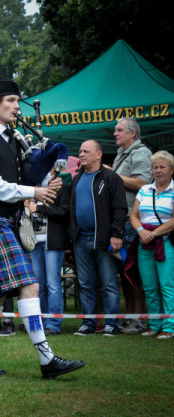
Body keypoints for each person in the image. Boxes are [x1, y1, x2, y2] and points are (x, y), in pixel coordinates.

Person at [0, 80, 84, 379]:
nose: (18, 106)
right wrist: (32, 191)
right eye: (12, 101)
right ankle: (47, 359)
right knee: (29, 285)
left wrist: (46, 183)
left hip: (12, 219)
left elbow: (27, 175)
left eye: (18, 101)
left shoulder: (14, 138)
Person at [69, 140, 127, 337]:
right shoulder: (76, 179)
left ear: (99, 154)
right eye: (80, 151)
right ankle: (89, 323)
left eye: (86, 151)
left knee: (109, 283)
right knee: (85, 285)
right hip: (80, 239)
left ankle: (111, 324)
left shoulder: (110, 177)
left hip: (103, 239)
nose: (81, 154)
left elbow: (120, 208)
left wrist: (116, 234)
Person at [109, 117, 153, 334]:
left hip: (133, 221)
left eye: (119, 130)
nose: (115, 133)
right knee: (125, 272)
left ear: (132, 133)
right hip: (121, 220)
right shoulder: (122, 153)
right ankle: (131, 318)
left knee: (133, 271)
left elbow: (144, 184)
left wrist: (113, 174)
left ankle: (139, 320)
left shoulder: (141, 153)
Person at [128, 151, 174, 339]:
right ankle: (154, 324)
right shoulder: (144, 190)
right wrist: (141, 231)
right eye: (155, 167)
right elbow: (133, 215)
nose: (158, 171)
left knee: (167, 285)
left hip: (164, 242)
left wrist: (154, 233)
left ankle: (169, 326)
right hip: (144, 243)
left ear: (171, 170)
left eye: (162, 167)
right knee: (149, 286)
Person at [27, 174, 71, 335]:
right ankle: (41, 322)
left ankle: (53, 324)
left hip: (53, 241)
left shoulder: (61, 187)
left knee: (53, 284)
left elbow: (64, 212)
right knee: (39, 285)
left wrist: (39, 208)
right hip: (34, 242)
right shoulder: (30, 186)